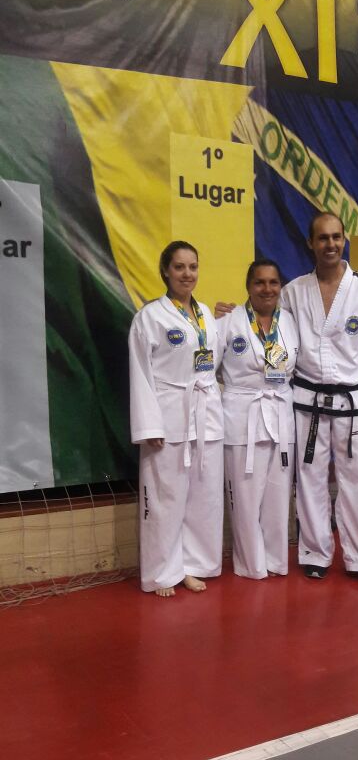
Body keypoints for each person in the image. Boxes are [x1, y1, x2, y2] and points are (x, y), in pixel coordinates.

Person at [284, 213, 358, 586]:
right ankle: (315, 553)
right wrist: (232, 316)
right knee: (309, 478)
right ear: (310, 243)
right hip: (308, 400)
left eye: (335, 237)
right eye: (322, 238)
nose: (329, 244)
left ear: (344, 239)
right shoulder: (294, 291)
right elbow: (275, 338)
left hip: (352, 400)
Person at [129, 240, 224, 596]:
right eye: (179, 267)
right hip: (168, 414)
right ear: (165, 271)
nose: (187, 274)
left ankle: (193, 565)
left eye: (193, 267)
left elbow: (212, 364)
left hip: (205, 413)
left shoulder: (206, 316)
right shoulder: (150, 317)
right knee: (165, 498)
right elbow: (140, 372)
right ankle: (162, 572)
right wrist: (149, 424)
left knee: (203, 496)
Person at [217, 260, 298, 579]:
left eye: (273, 282)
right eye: (260, 282)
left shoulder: (289, 322)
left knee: (278, 496)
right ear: (248, 286)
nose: (267, 289)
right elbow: (209, 369)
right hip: (243, 416)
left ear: (281, 286)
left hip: (280, 413)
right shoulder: (228, 321)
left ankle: (276, 561)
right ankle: (251, 564)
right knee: (246, 498)